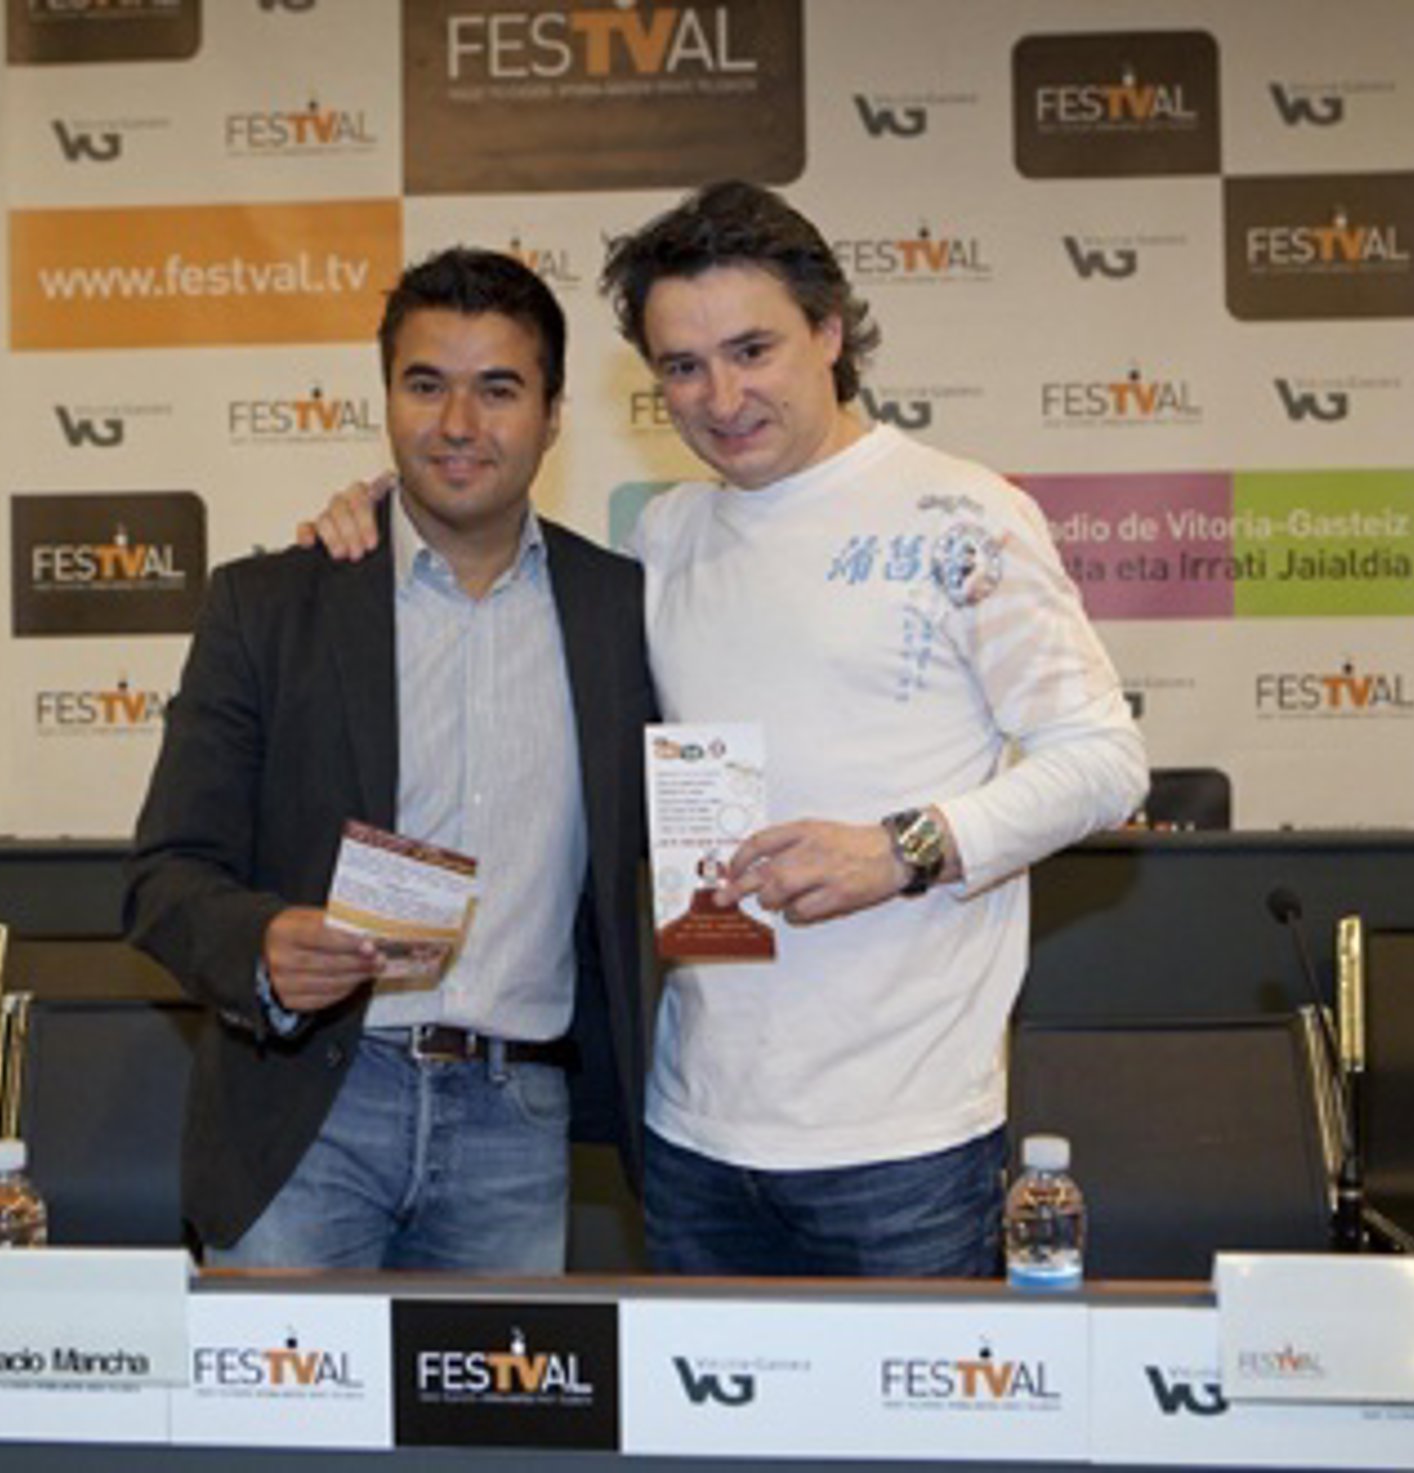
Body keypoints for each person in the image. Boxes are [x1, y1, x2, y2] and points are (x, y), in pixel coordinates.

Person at [305, 183, 1146, 1277]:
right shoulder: (664, 538)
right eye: (683, 367)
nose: (723, 396)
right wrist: (383, 515)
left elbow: (1105, 761)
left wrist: (902, 848)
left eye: (753, 350)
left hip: (903, 1141)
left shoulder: (965, 514)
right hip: (692, 1134)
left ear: (829, 332)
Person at [126, 248, 653, 1271]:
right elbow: (165, 874)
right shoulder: (270, 604)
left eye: (497, 389)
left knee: (492, 1392)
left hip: (518, 1122)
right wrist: (261, 943)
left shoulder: (621, 610)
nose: (457, 423)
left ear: (552, 416)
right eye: (426, 385)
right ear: (386, 402)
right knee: (281, 1389)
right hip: (308, 1117)